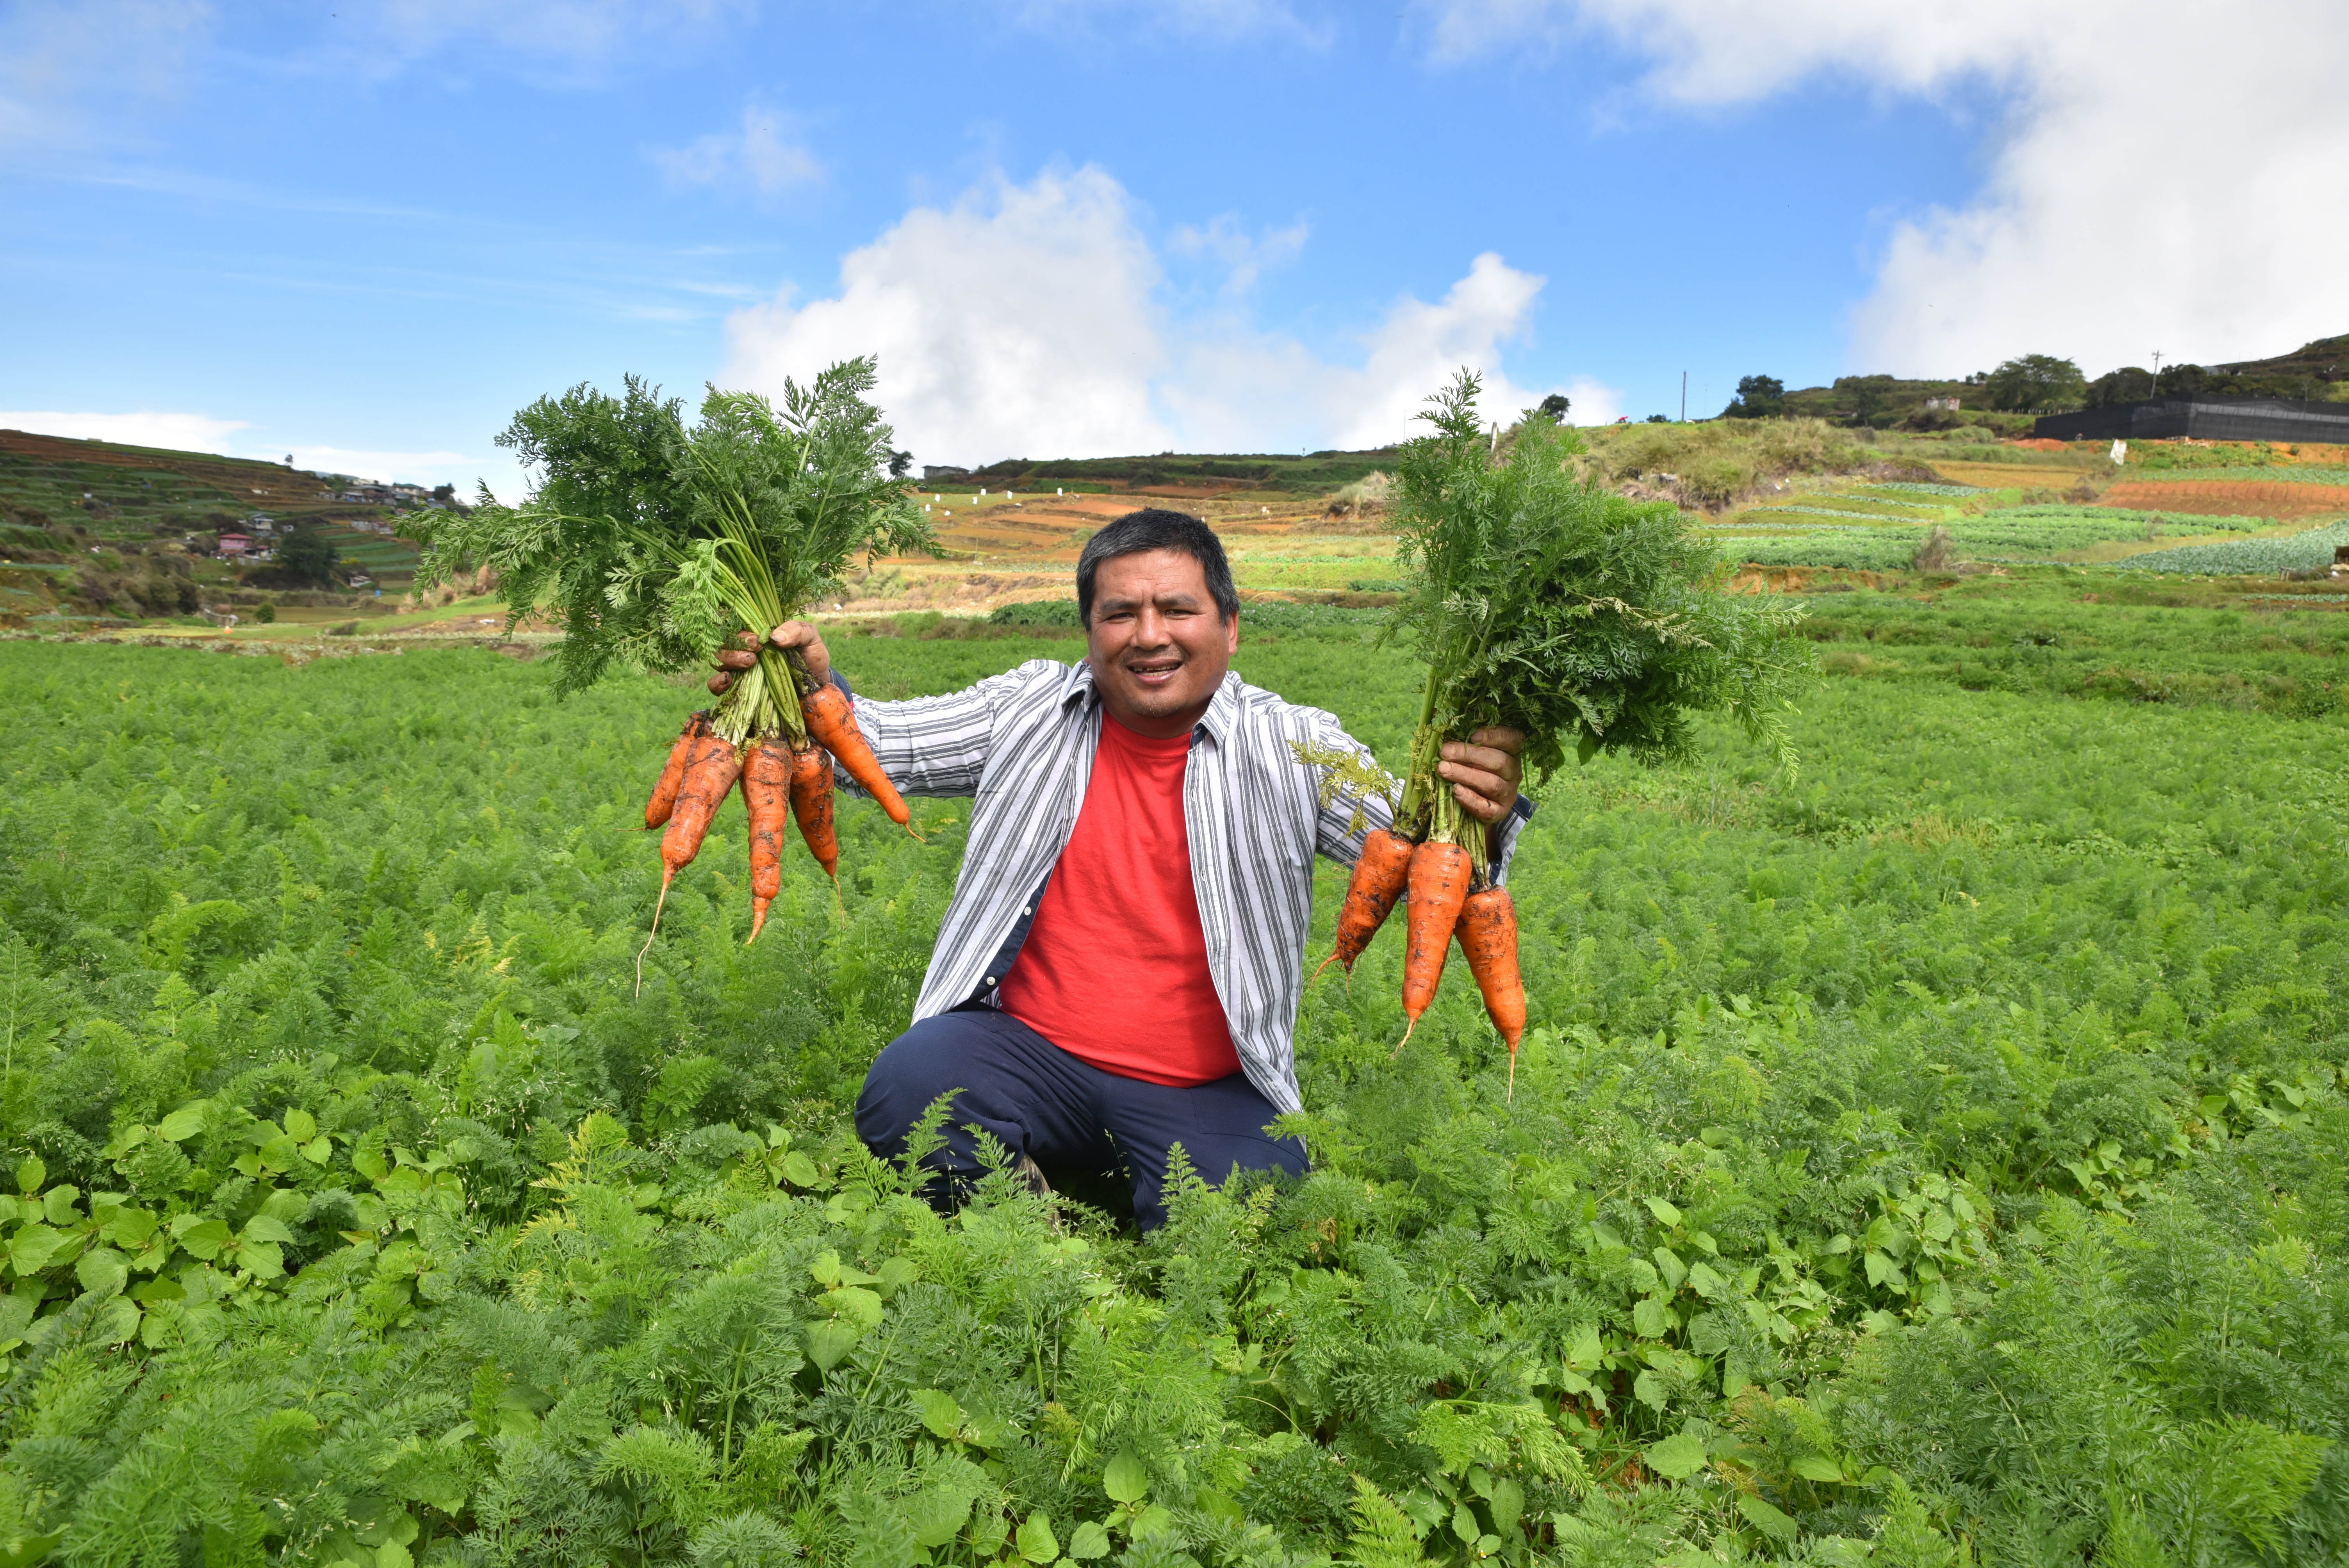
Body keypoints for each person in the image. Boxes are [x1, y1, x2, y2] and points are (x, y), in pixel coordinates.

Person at [713, 509, 1529, 1231]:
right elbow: (876, 750)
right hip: (1025, 1053)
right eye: (1119, 613)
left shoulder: (1294, 746)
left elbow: (1430, 859)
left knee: (1255, 1207)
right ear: (1089, 631)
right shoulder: (1029, 709)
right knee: (910, 1090)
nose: (1148, 635)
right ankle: (1026, 1233)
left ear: (1230, 627)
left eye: (1177, 609)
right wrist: (811, 688)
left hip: (1204, 1088)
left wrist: (1480, 810)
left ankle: (1113, 1174)